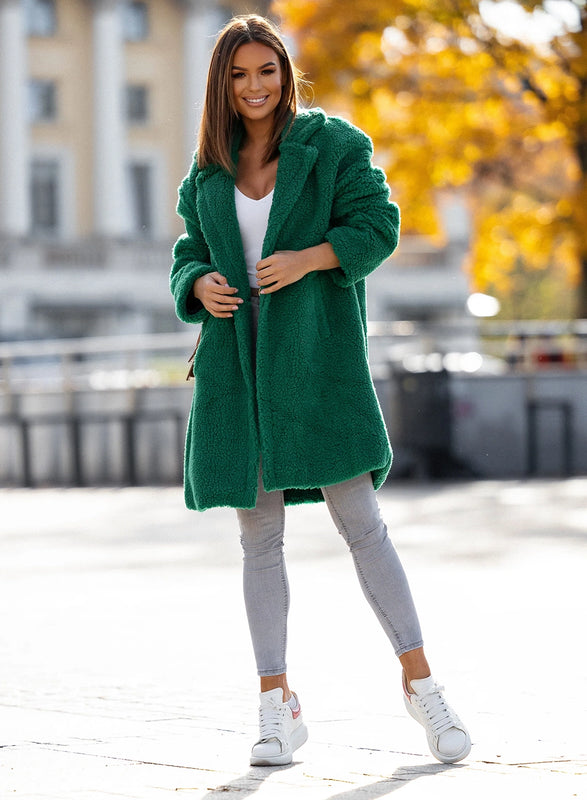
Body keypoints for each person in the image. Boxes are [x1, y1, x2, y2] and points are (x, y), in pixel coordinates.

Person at [171, 14, 471, 767]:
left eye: (265, 71)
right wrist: (196, 282)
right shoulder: (206, 173)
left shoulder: (333, 144)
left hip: (317, 364)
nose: (254, 87)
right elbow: (187, 253)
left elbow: (379, 224)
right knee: (257, 540)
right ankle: (276, 705)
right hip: (236, 373)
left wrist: (307, 259)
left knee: (361, 523)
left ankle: (421, 685)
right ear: (222, 83)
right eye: (238, 75)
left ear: (284, 71)